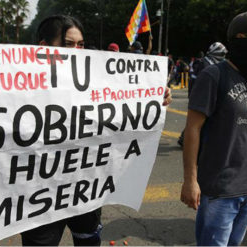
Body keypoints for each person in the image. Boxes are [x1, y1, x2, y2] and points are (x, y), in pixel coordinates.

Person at [21, 15, 172, 246]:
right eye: (68, 44)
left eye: (80, 44)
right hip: (41, 197)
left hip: (85, 189)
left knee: (89, 240)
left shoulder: (97, 80)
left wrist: (154, 96)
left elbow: (126, 106)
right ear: (43, 46)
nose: (77, 50)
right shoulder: (17, 87)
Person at [180, 12, 247, 246]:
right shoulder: (214, 76)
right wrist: (190, 180)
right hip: (219, 191)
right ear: (240, 38)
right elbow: (192, 130)